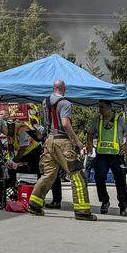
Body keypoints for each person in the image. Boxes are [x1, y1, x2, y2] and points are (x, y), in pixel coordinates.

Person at [27, 80, 95, 220]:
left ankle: (34, 204)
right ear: (64, 89)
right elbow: (65, 123)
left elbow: (46, 124)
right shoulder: (65, 103)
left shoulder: (45, 102)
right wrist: (77, 142)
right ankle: (82, 212)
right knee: (77, 175)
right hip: (62, 142)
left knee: (49, 175)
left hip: (49, 141)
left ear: (54, 88)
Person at [88, 100, 127, 215]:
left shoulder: (119, 119)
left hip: (116, 156)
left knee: (120, 181)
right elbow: (90, 133)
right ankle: (105, 201)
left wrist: (126, 145)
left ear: (109, 107)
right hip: (101, 155)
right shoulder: (97, 119)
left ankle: (123, 207)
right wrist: (89, 144)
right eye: (99, 107)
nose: (100, 110)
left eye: (102, 107)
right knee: (99, 179)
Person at [10, 111, 61, 208]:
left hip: (43, 150)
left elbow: (25, 147)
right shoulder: (16, 129)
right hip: (43, 149)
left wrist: (15, 160)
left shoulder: (24, 128)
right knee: (42, 174)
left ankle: (55, 200)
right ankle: (31, 196)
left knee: (51, 174)